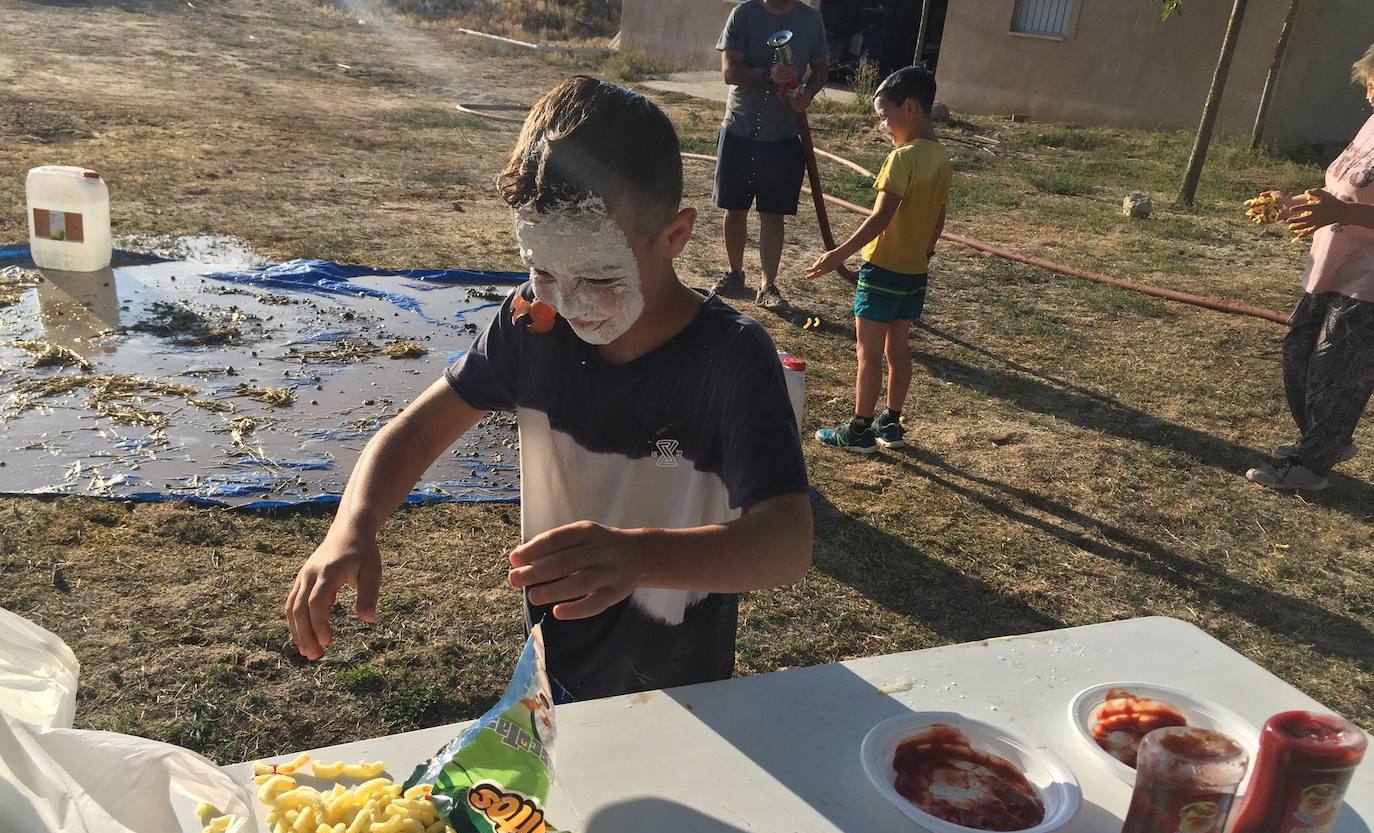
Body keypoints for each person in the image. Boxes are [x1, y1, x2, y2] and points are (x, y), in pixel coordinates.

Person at [285, 78, 812, 702]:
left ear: (674, 237)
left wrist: (639, 558)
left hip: (683, 685)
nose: (564, 300)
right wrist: (354, 526)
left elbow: (786, 542)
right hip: (552, 668)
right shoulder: (530, 325)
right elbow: (418, 429)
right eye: (541, 269)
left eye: (596, 275)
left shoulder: (730, 357)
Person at [1245, 44, 1374, 491]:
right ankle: (1326, 441)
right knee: (1299, 352)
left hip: (1369, 278)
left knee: (1335, 370)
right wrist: (1294, 204)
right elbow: (1340, 189)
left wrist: (1342, 213)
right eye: (1371, 82)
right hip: (1333, 263)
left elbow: (1350, 206)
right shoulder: (1371, 126)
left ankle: (1311, 465)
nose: (1372, 90)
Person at [805, 66, 950, 453]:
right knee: (898, 350)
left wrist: (838, 254)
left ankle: (859, 429)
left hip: (882, 269)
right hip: (914, 272)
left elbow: (881, 216)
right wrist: (927, 251)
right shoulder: (941, 157)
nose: (883, 125)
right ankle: (891, 423)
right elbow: (939, 216)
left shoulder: (902, 159)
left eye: (884, 115)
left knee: (867, 352)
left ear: (909, 108)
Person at [713, 0, 828, 310]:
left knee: (773, 213)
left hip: (784, 134)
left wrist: (806, 94)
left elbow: (820, 68)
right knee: (734, 207)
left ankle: (768, 286)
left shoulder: (809, 19)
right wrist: (769, 73)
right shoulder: (744, 14)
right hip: (740, 126)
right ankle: (735, 273)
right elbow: (730, 71)